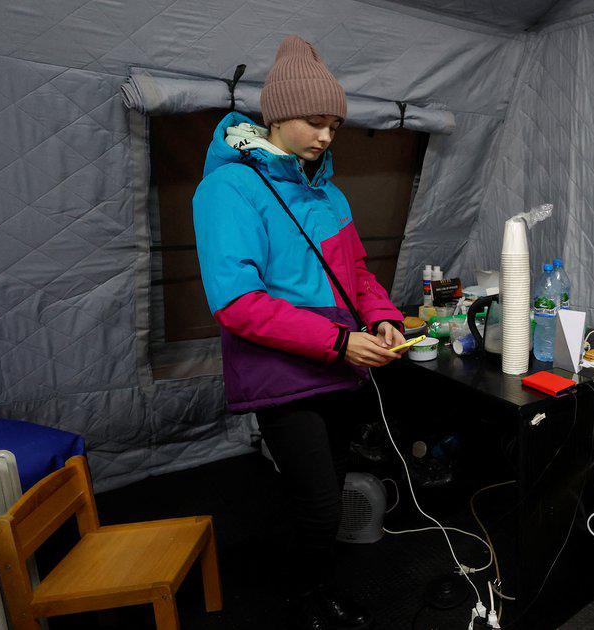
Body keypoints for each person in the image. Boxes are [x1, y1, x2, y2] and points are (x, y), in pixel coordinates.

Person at [193, 35, 406, 630]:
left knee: (327, 493)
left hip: (338, 366)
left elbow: (357, 276)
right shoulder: (227, 190)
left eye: (334, 125)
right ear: (276, 115)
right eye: (316, 122)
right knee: (316, 504)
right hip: (285, 371)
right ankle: (303, 604)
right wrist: (338, 340)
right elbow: (237, 303)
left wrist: (383, 317)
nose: (326, 137)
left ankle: (319, 591)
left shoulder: (328, 192)